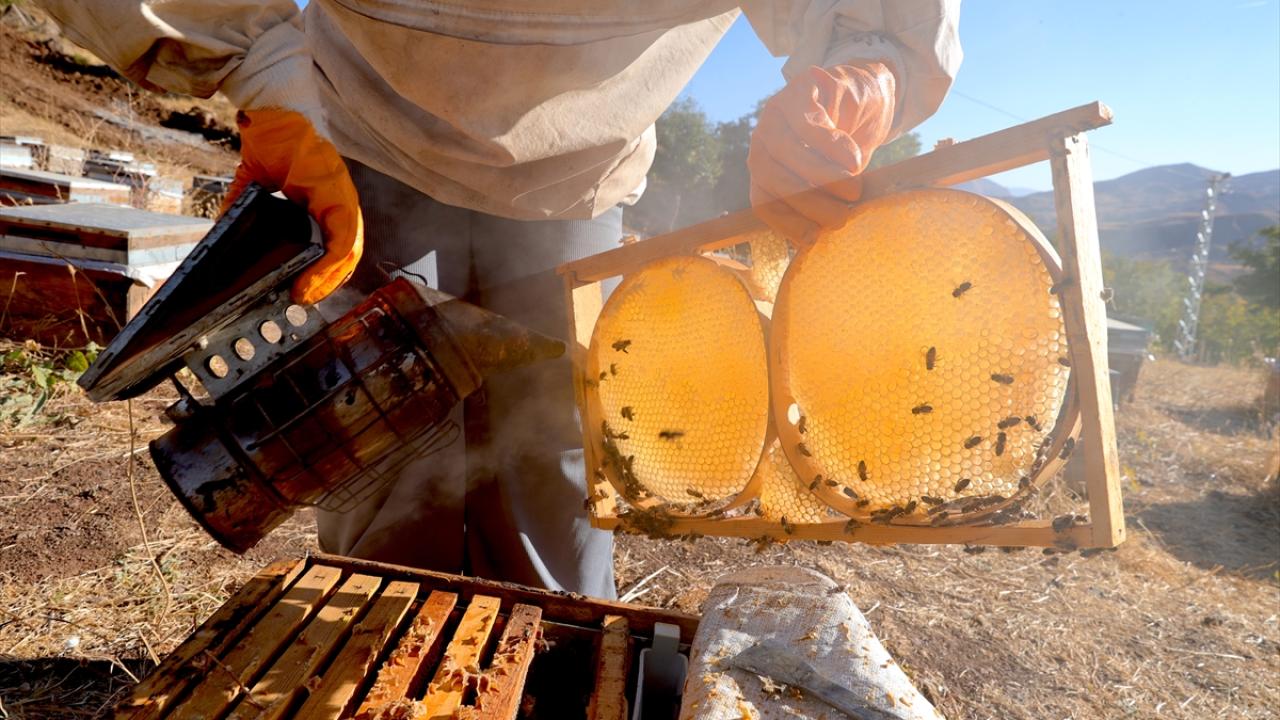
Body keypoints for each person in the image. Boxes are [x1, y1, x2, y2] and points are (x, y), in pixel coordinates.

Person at [38, 0, 961, 600]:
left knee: (559, 460)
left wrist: (864, 72)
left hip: (582, 183)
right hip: (356, 143)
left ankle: (554, 662)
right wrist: (270, 86)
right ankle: (379, 648)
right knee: (368, 450)